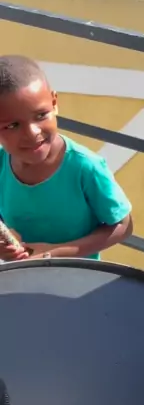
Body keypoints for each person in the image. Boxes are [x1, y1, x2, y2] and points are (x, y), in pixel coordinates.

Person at [0, 55, 133, 261]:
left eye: (41, 115)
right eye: (12, 125)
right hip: (22, 275)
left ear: (54, 103)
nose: (32, 133)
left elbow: (123, 225)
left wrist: (54, 253)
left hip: (76, 276)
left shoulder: (85, 167)